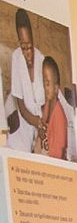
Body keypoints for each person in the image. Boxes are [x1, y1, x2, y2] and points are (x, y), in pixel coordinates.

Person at [6, 9, 43, 152]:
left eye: (30, 47)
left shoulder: (41, 60)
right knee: (17, 147)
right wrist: (36, 121)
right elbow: (21, 105)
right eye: (23, 48)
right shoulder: (16, 57)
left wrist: (41, 125)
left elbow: (47, 101)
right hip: (26, 119)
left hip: (42, 120)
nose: (28, 53)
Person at [31, 54, 66, 159]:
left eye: (47, 84)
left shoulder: (59, 117)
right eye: (43, 83)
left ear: (56, 89)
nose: (44, 88)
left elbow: (57, 154)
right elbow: (43, 122)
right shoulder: (48, 104)